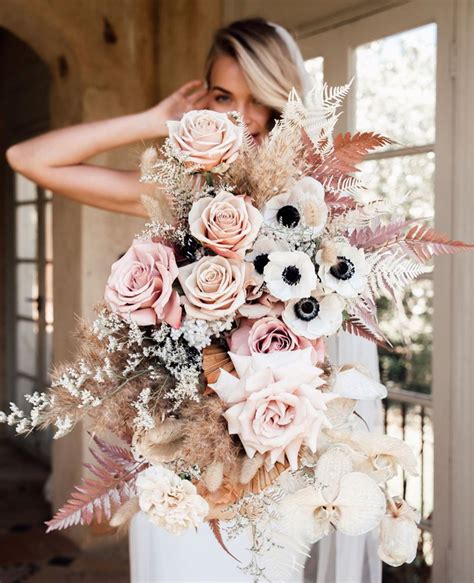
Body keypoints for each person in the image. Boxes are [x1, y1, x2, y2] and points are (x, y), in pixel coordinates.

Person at [6, 17, 382, 583]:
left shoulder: (314, 210)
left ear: (286, 100)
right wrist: (153, 121)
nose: (243, 117)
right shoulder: (182, 194)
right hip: (179, 461)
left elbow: (333, 354)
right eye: (224, 95)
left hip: (270, 466)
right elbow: (28, 159)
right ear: (204, 100)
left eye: (260, 98)